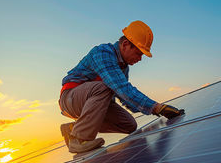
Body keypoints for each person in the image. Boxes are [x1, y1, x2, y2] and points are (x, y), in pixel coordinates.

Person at [59, 20, 184, 153]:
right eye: (138, 53)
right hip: (70, 98)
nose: (140, 59)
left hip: (93, 103)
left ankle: (75, 128)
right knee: (106, 86)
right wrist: (156, 107)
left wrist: (158, 111)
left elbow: (125, 98)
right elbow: (121, 88)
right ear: (125, 44)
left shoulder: (123, 68)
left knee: (129, 125)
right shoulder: (103, 53)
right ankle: (79, 138)